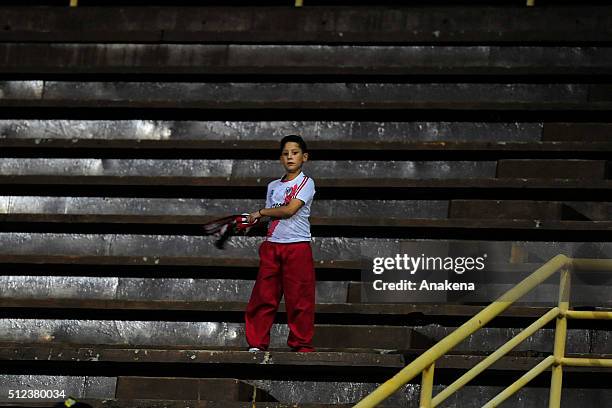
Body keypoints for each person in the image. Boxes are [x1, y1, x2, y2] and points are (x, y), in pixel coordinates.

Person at [244, 135, 316, 353]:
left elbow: (289, 210)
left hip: (297, 246)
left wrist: (260, 212)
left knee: (300, 299)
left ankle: (300, 344)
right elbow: (273, 218)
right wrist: (253, 222)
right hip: (273, 245)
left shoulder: (306, 182)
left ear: (304, 157)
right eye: (285, 154)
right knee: (263, 296)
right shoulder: (273, 186)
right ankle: (257, 343)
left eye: (294, 153)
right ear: (280, 159)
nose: (290, 157)